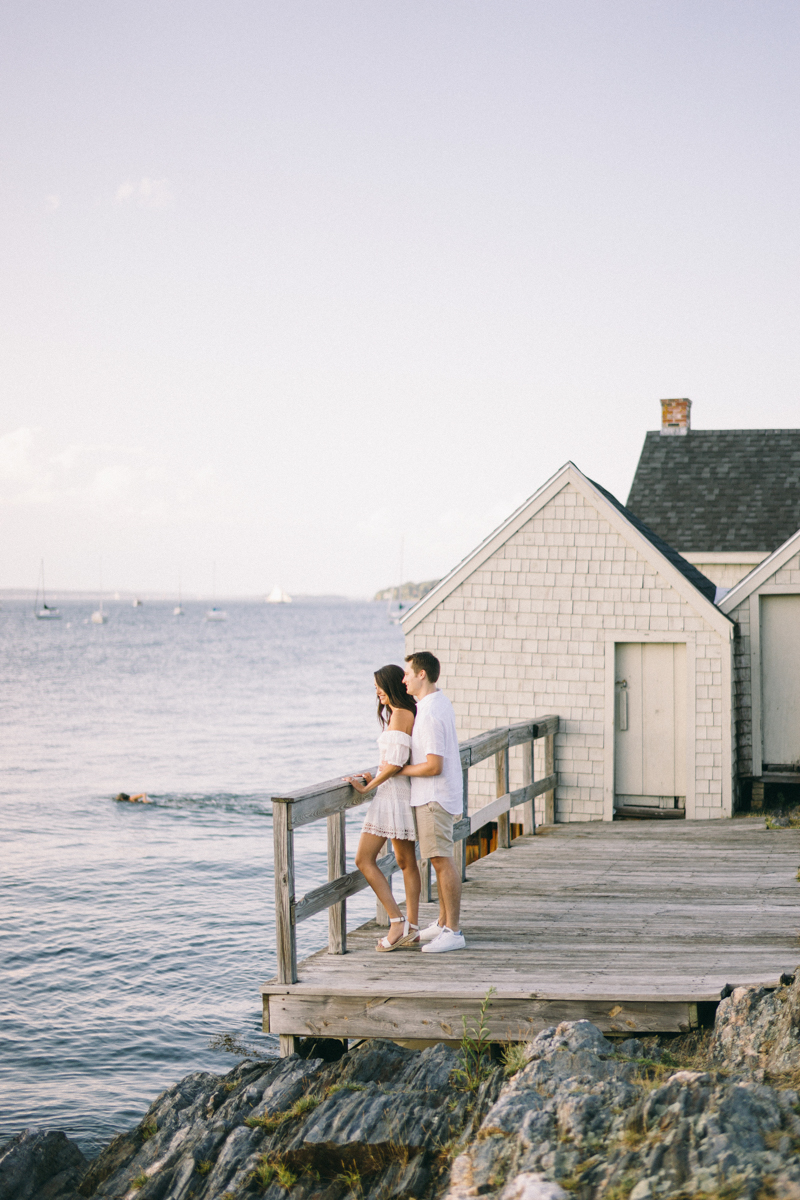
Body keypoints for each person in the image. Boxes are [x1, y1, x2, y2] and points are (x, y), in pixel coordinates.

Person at [344, 664, 421, 951]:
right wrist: (373, 775)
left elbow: (398, 763)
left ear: (391, 686)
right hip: (395, 791)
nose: (376, 692)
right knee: (405, 862)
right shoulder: (400, 714)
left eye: (380, 686)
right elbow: (391, 761)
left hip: (392, 795)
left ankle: (397, 921)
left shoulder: (401, 714)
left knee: (364, 859)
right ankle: (410, 927)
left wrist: (368, 786)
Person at [399, 651, 465, 953]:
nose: (404, 679)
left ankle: (454, 931)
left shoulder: (429, 713)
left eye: (408, 674)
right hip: (437, 795)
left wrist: (400, 771)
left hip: (433, 796)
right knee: (439, 860)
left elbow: (433, 765)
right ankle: (441, 923)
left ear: (421, 674)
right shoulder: (436, 703)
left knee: (441, 861)